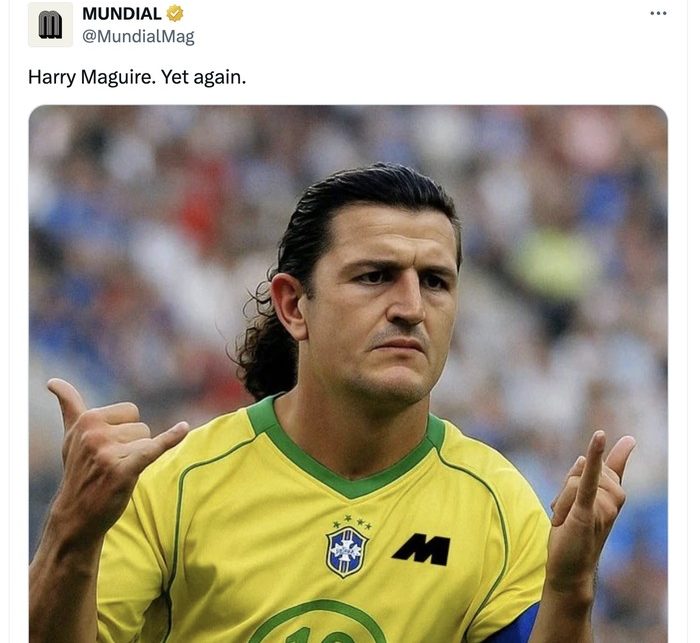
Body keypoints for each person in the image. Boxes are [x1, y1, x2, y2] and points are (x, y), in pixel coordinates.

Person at [29, 163, 635, 643]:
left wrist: (571, 588)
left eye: (435, 281)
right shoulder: (177, 483)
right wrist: (71, 533)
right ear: (294, 306)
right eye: (375, 276)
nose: (411, 308)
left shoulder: (498, 506)